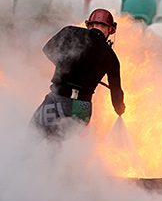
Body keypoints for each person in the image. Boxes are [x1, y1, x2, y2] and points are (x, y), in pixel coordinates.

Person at [31, 8, 125, 136]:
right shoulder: (112, 57)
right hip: (82, 110)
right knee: (64, 146)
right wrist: (120, 109)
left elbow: (48, 49)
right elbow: (116, 91)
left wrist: (64, 65)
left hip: (57, 101)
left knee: (31, 137)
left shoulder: (70, 31)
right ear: (110, 29)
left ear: (89, 25)